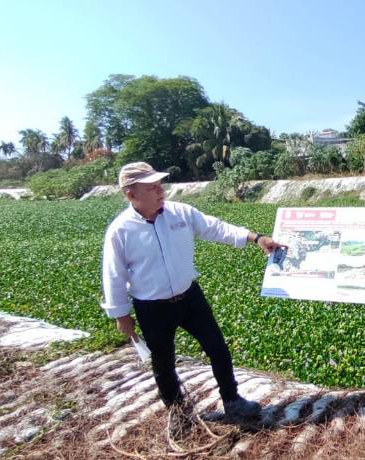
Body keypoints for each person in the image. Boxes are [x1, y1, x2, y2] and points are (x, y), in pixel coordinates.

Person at [101, 162, 284, 436]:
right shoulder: (121, 230)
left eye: (159, 184)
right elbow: (113, 274)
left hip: (189, 297)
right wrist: (121, 315)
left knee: (217, 348)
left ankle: (232, 400)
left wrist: (254, 237)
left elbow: (214, 227)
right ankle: (179, 414)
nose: (159, 190)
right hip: (152, 307)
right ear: (131, 194)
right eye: (151, 187)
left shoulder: (180, 213)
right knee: (163, 363)